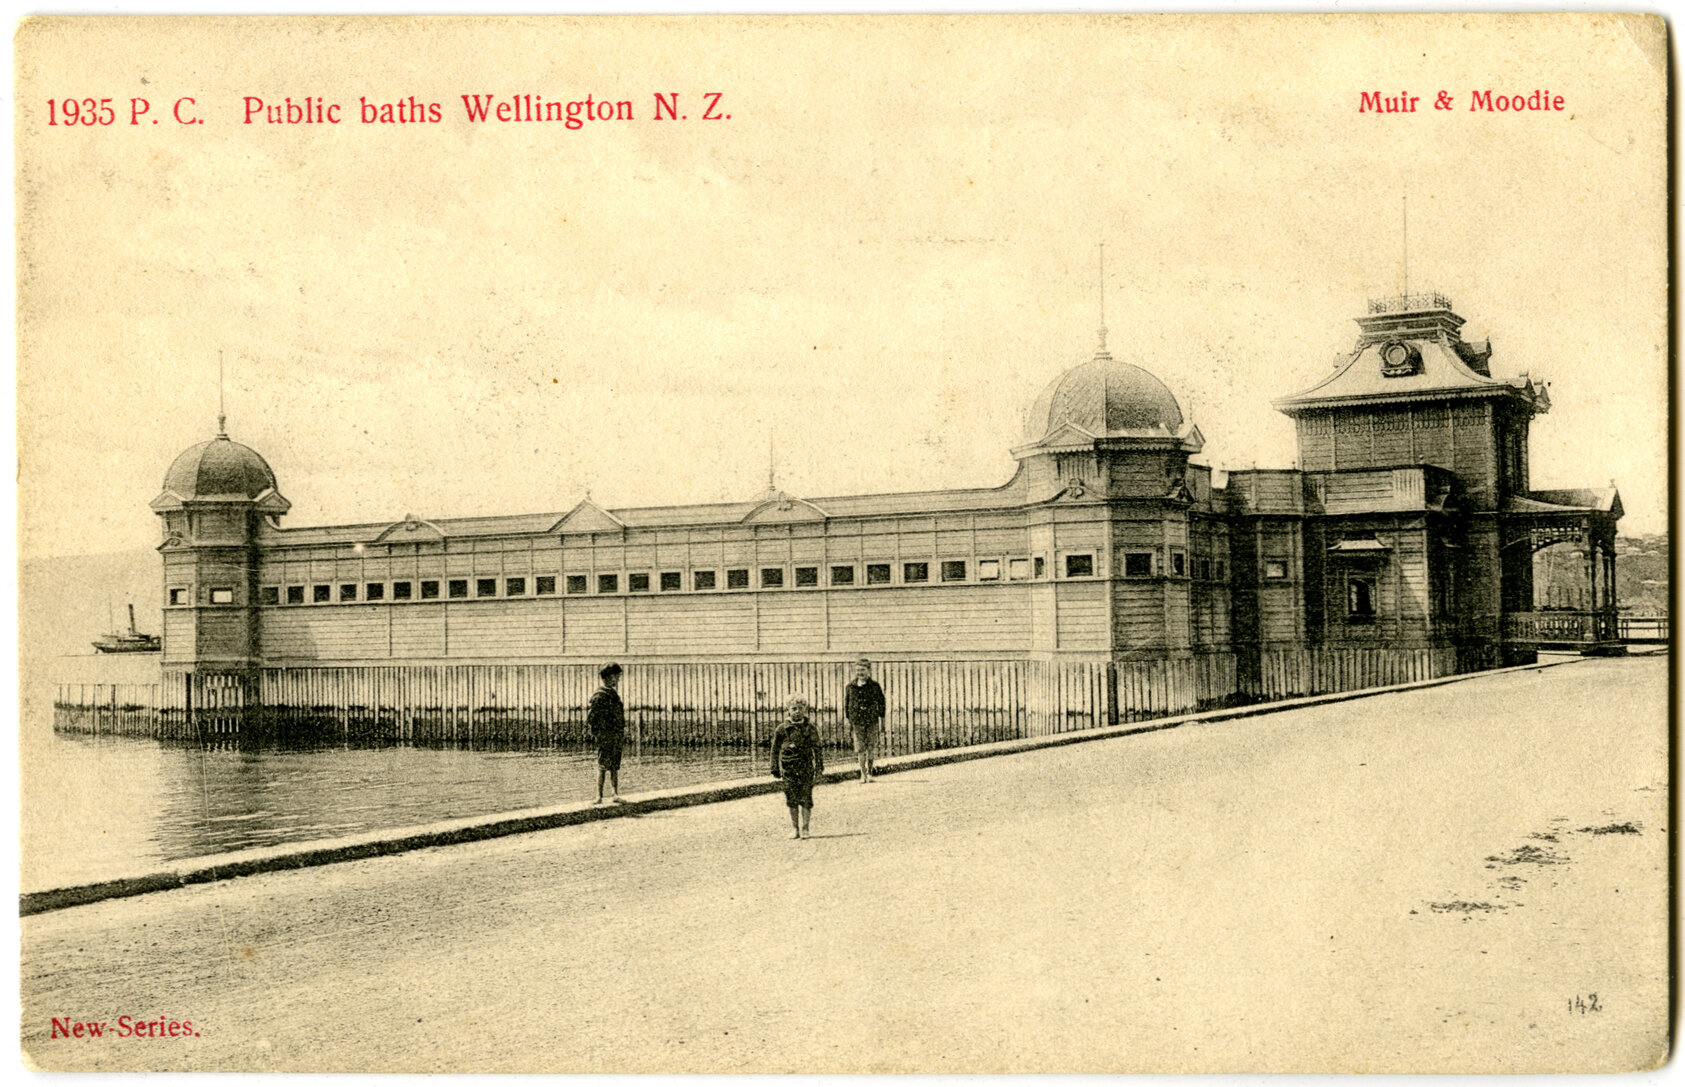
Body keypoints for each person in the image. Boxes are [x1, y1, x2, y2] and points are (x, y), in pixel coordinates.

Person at [770, 697, 824, 839]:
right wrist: (774, 767)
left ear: (805, 710)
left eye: (800, 708)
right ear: (788, 710)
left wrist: (819, 767)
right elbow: (775, 749)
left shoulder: (810, 728)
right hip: (789, 769)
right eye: (794, 709)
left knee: (806, 798)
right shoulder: (782, 729)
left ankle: (805, 828)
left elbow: (817, 748)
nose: (797, 712)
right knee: (791, 799)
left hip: (806, 768)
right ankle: (795, 828)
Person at [587, 662, 626, 804]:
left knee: (615, 765)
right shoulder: (600, 695)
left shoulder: (612, 694)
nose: (618, 679)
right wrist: (599, 734)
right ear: (610, 677)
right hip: (605, 736)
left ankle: (615, 794)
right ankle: (599, 796)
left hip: (616, 735)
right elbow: (592, 718)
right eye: (617, 676)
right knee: (602, 765)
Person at [843, 658, 886, 782]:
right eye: (857, 670)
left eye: (862, 670)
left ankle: (870, 772)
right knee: (860, 748)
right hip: (857, 723)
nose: (860, 673)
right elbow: (847, 704)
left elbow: (881, 703)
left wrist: (882, 720)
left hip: (871, 721)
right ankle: (863, 774)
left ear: (869, 670)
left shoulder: (874, 686)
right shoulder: (850, 687)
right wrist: (848, 720)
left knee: (871, 747)